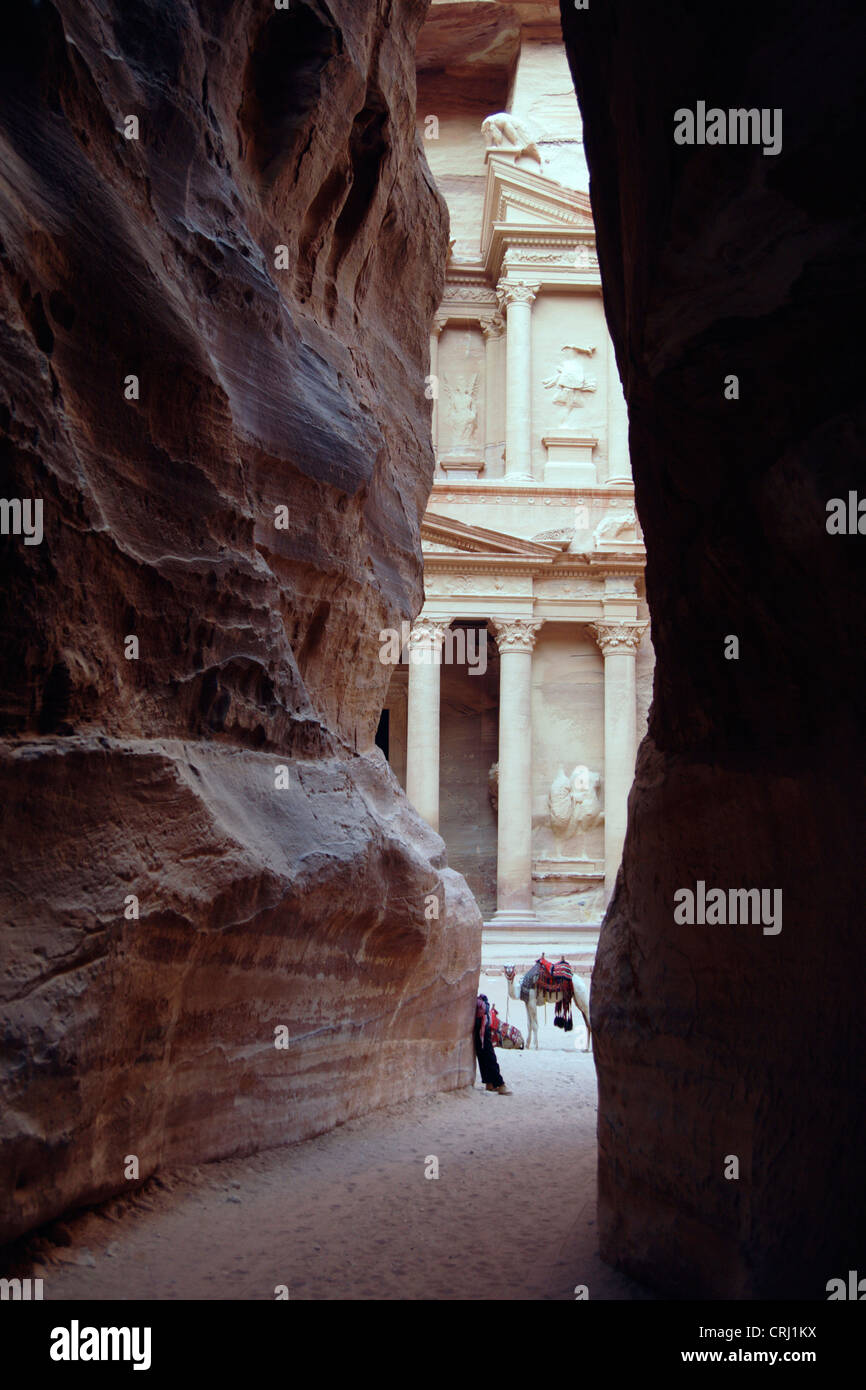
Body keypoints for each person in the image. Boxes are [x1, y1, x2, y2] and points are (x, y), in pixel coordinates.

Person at [474, 994, 512, 1094]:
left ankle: (489, 1082)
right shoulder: (481, 1007)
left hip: (480, 1024)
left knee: (482, 1053)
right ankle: (499, 1084)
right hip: (481, 1025)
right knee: (488, 1053)